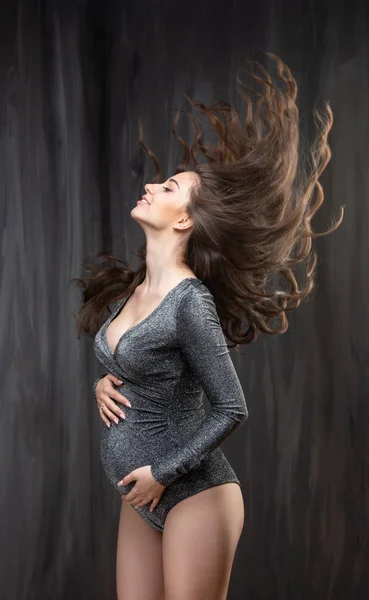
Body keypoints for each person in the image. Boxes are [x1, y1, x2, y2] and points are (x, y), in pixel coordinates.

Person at [73, 52, 343, 600]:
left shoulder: (189, 302)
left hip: (193, 493)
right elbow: (140, 368)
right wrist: (104, 383)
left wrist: (164, 473)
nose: (152, 186)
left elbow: (231, 407)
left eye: (169, 187)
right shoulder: (134, 291)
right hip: (140, 496)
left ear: (186, 219)